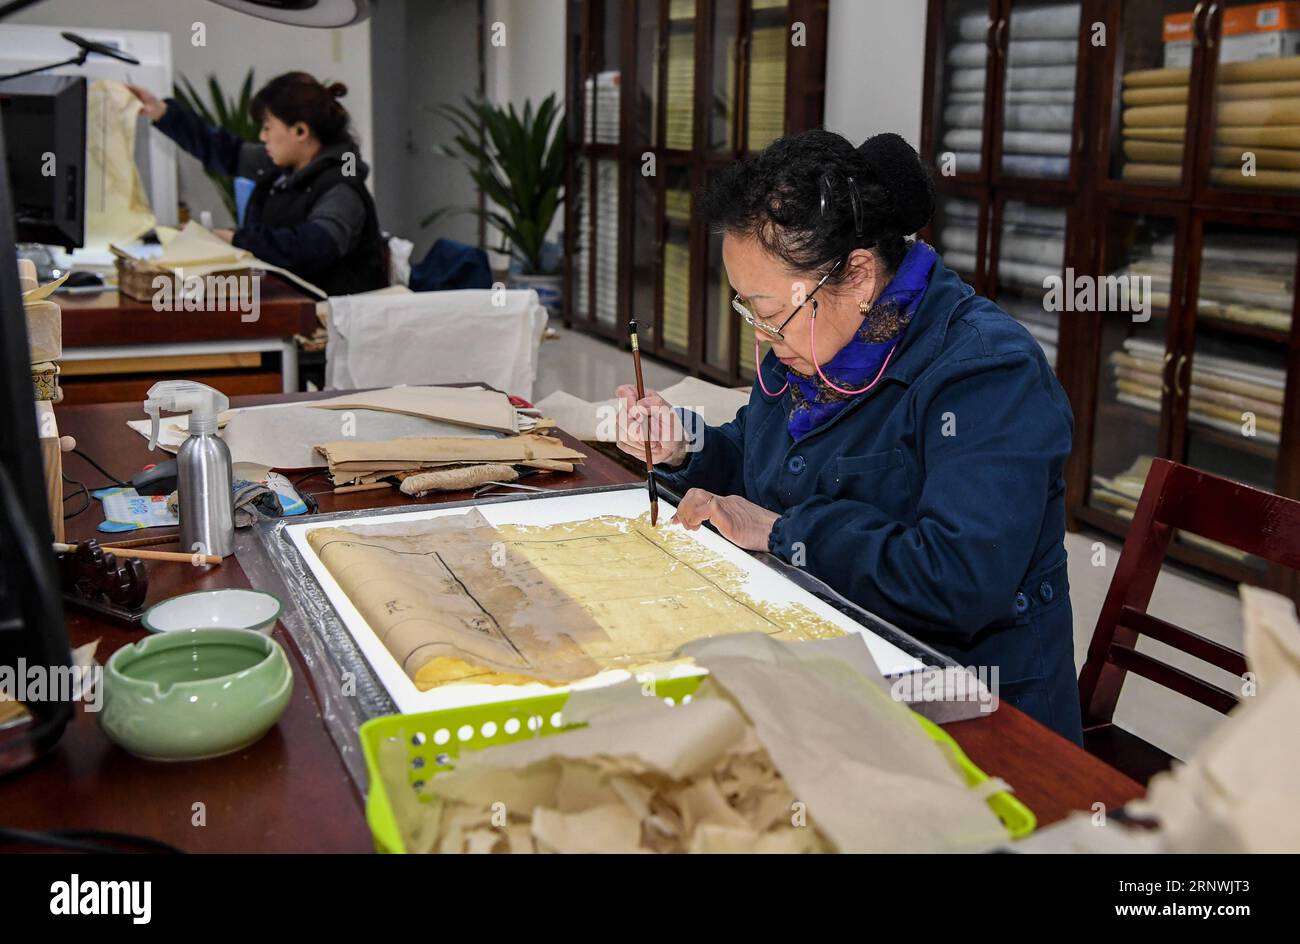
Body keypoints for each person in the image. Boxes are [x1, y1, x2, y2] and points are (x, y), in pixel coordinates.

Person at [616, 130, 1082, 744]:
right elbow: (763, 468)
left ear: (859, 276)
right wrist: (685, 447)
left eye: (767, 311)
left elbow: (959, 578)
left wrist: (783, 534)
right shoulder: (812, 340)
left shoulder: (987, 373)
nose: (760, 335)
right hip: (825, 657)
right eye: (746, 308)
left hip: (969, 714)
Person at [128, 72, 387, 296]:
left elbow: (313, 247)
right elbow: (224, 151)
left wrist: (234, 238)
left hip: (331, 326)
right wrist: (162, 112)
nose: (262, 136)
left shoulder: (341, 187)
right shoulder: (281, 165)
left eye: (267, 127)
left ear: (300, 131)